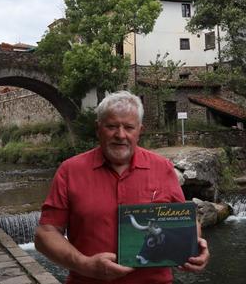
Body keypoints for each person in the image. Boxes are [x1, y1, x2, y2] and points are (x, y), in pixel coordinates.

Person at [34, 91, 209, 283]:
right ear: (97, 128)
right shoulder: (70, 171)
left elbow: (185, 220)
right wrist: (85, 264)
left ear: (140, 131)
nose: (120, 135)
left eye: (129, 127)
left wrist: (193, 245)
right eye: (111, 126)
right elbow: (46, 234)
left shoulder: (163, 168)